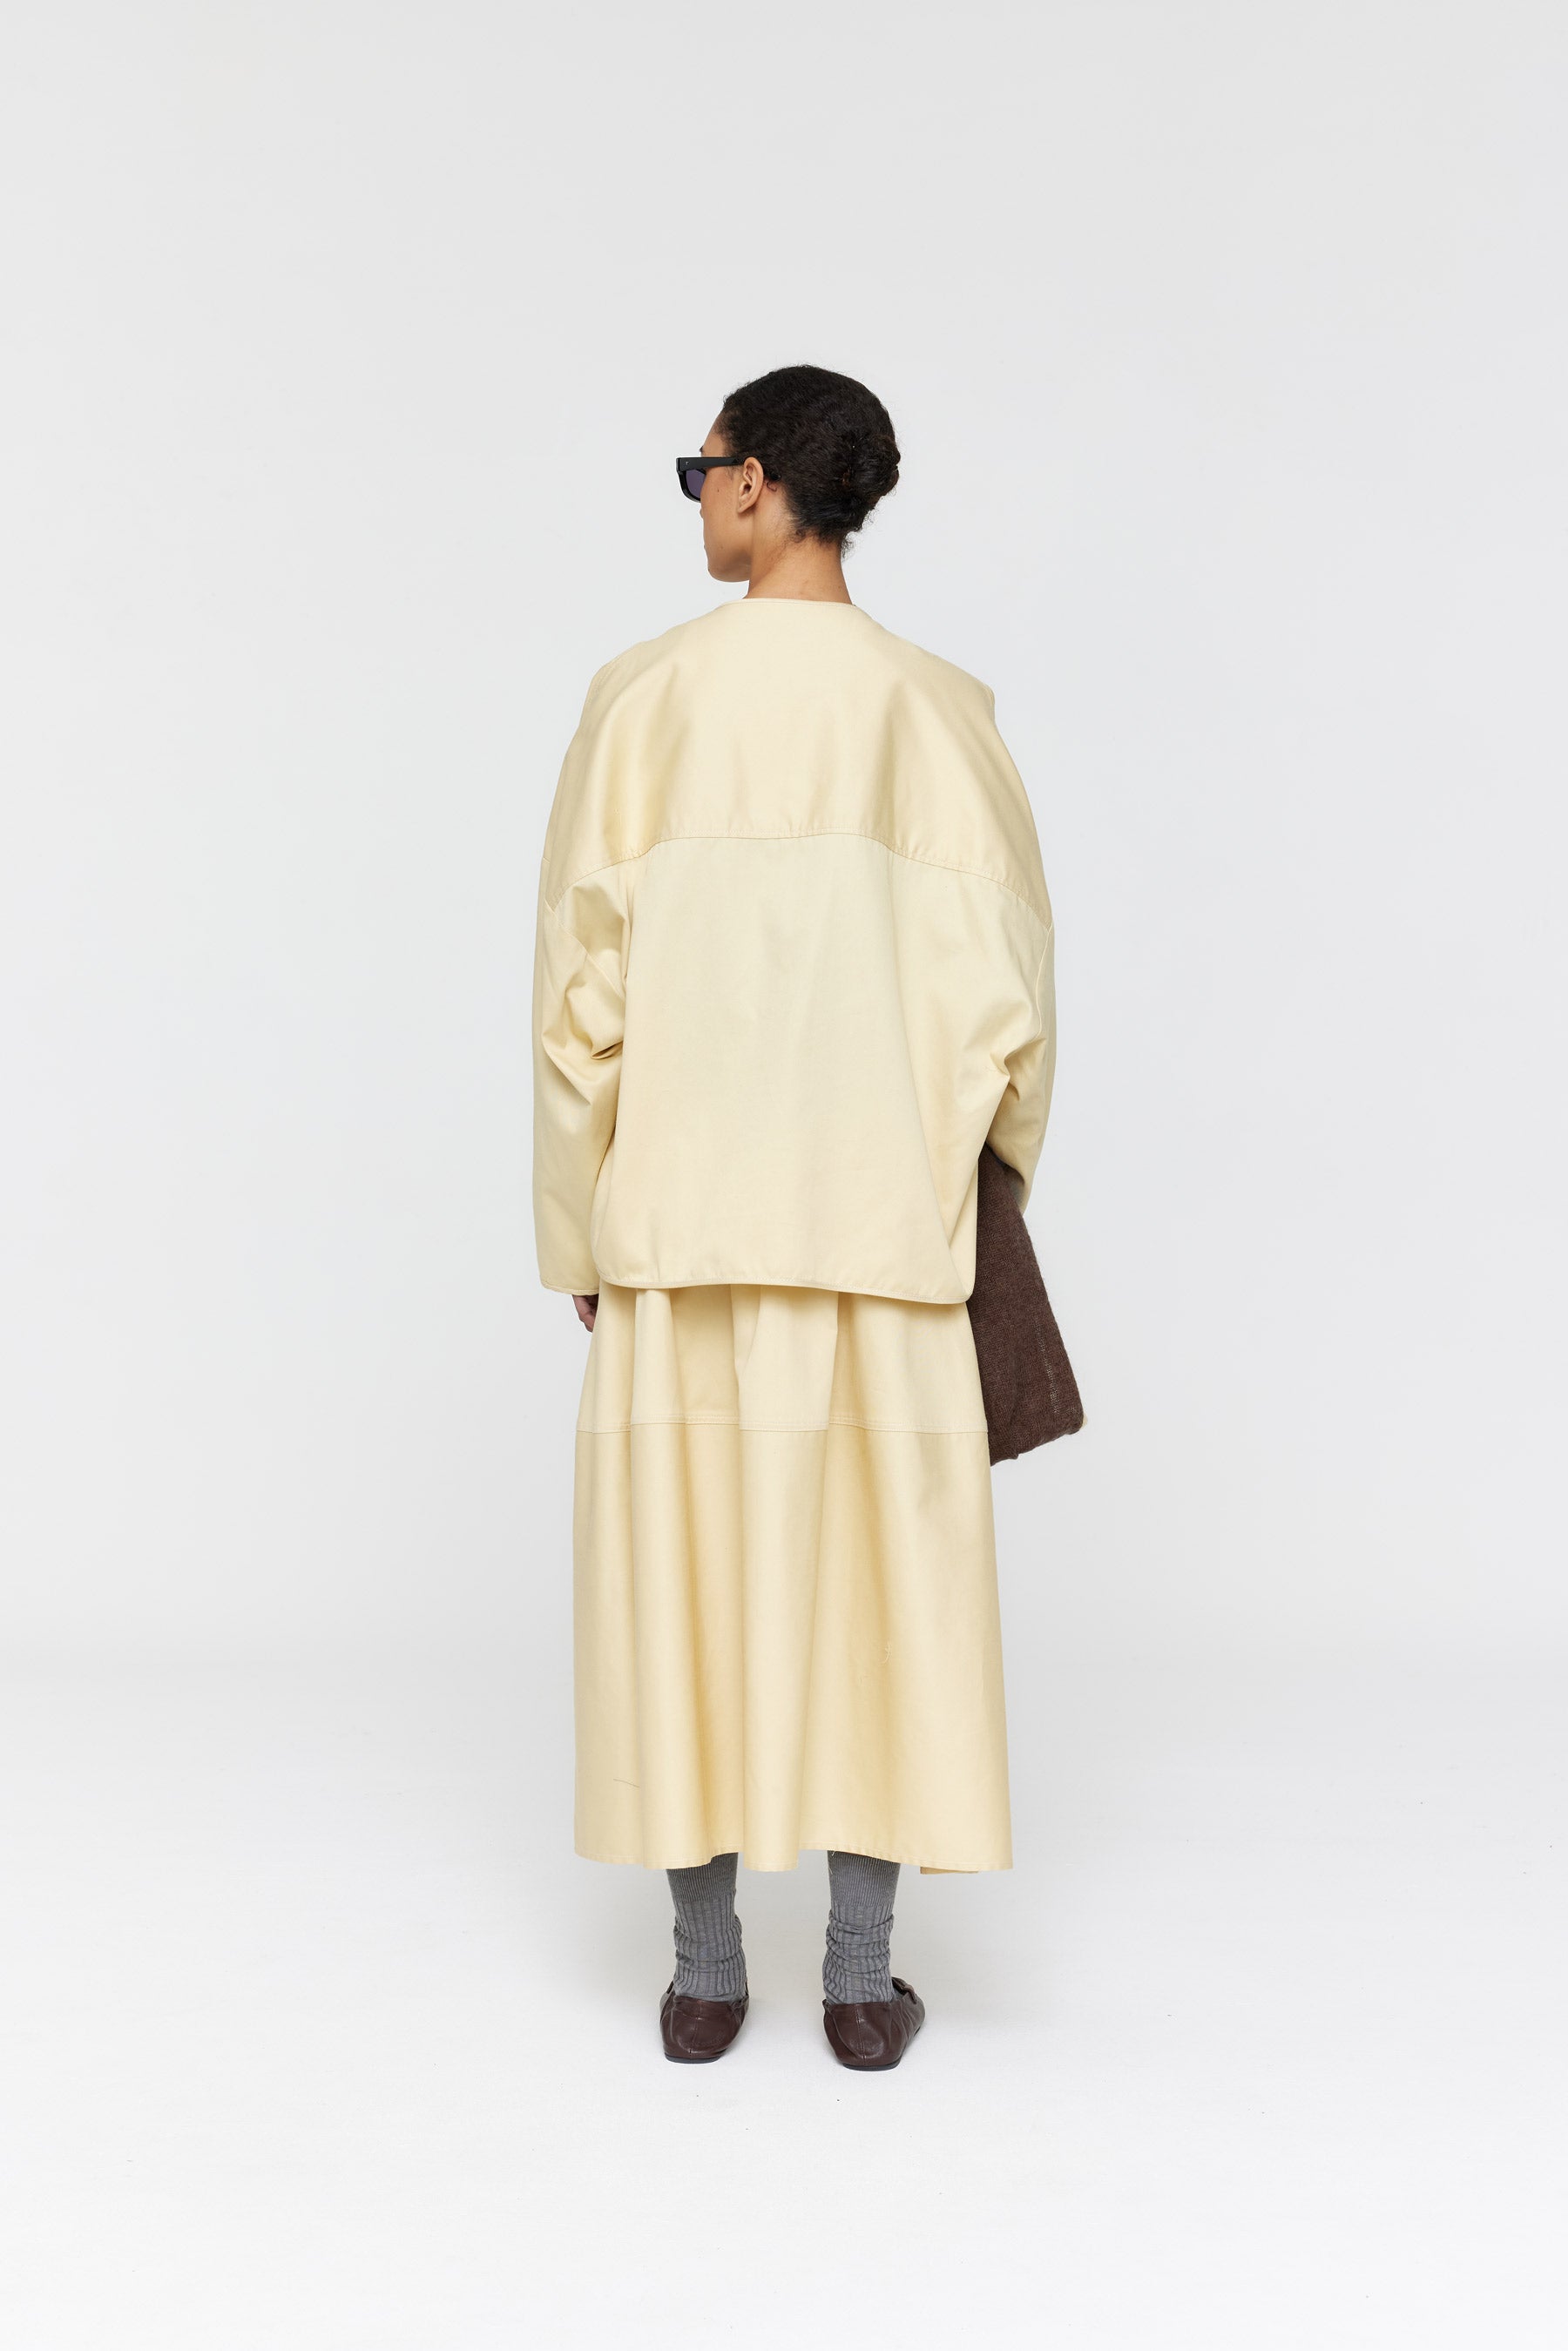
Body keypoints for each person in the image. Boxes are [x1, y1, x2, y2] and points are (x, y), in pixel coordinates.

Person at [531, 363, 1056, 2071]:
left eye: (701, 468)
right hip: (885, 1241)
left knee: (677, 1586)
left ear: (757, 483)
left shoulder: (641, 701)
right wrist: (977, 1188)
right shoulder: (943, 715)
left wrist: (579, 1227)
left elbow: (577, 1009)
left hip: (679, 1230)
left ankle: (703, 1977)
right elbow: (1018, 1015)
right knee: (882, 1599)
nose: (696, 495)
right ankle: (858, 1981)